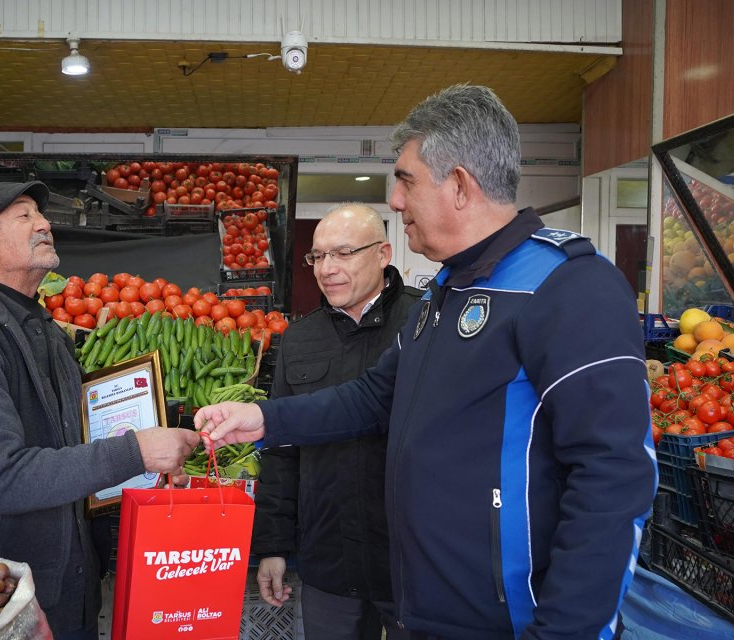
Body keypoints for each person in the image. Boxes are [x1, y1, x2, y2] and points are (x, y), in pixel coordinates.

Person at [197, 84, 655, 640]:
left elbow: (614, 475)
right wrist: (267, 420)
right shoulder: (444, 292)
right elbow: (375, 396)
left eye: (406, 180)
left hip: (510, 624)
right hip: (426, 611)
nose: (394, 200)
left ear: (459, 185)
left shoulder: (568, 286)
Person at [0, 181, 201, 639]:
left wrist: (152, 467)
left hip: (63, 576)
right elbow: (2, 477)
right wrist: (135, 452)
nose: (45, 224)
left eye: (40, 216)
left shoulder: (45, 329)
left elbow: (71, 443)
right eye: (24, 216)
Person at [253, 203, 419, 640]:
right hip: (329, 558)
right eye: (318, 256)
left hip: (410, 563)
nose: (327, 269)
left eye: (343, 253)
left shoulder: (423, 323)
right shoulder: (299, 339)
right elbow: (280, 451)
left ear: (383, 253)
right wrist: (273, 545)